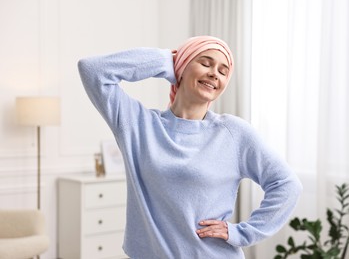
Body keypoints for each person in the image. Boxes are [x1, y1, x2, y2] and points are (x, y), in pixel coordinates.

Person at [78, 36, 302, 259]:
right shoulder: (137, 124)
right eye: (205, 63)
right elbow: (92, 70)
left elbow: (287, 185)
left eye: (223, 71)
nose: (215, 73)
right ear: (181, 69)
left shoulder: (234, 133)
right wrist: (165, 61)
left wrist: (242, 233)